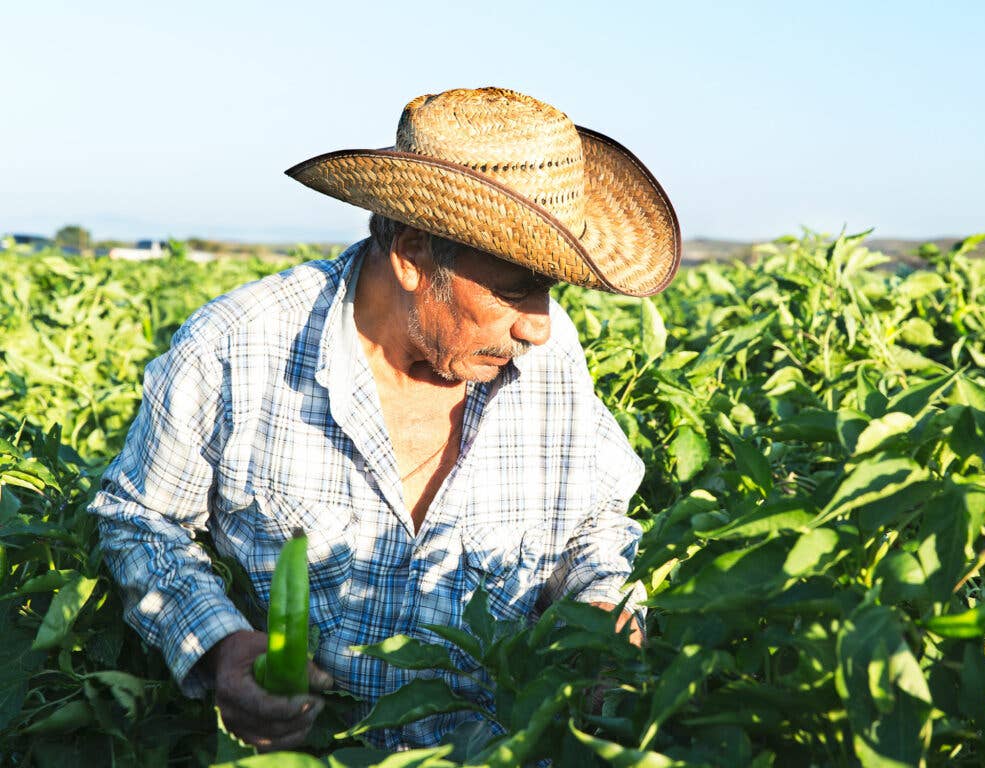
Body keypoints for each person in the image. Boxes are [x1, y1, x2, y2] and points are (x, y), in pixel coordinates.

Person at [88, 87, 681, 752]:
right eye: (513, 289)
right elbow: (140, 518)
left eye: (551, 290)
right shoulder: (237, 348)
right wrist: (220, 645)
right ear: (409, 253)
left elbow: (593, 522)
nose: (539, 325)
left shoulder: (552, 358)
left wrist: (600, 609)